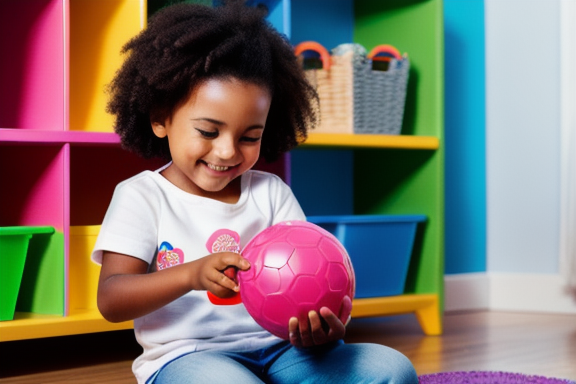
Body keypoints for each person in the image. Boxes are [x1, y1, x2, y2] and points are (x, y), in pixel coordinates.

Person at [92, 1, 419, 383]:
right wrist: (191, 275)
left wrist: (322, 328)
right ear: (161, 118)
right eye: (208, 132)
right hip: (190, 357)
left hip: (285, 351)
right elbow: (112, 299)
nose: (228, 151)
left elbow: (310, 279)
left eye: (250, 137)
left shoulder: (271, 193)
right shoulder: (142, 196)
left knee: (392, 370)